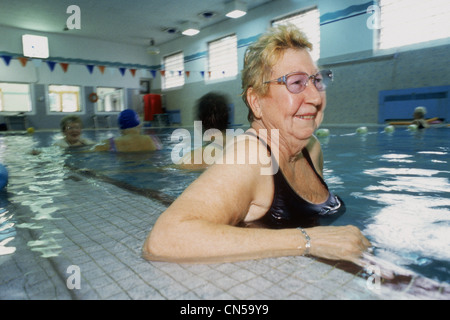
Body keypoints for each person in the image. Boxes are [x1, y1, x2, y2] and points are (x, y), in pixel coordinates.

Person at [143, 24, 371, 265]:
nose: (315, 97)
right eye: (296, 83)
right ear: (256, 101)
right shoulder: (252, 156)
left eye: (317, 80)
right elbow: (165, 238)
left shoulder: (311, 148)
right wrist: (309, 241)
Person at [177, 92, 230, 170]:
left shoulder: (195, 158)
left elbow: (167, 172)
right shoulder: (243, 144)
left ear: (200, 123)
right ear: (227, 119)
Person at [93, 109, 160, 152]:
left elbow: (89, 151)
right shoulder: (153, 140)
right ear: (139, 126)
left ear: (120, 129)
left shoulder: (110, 143)